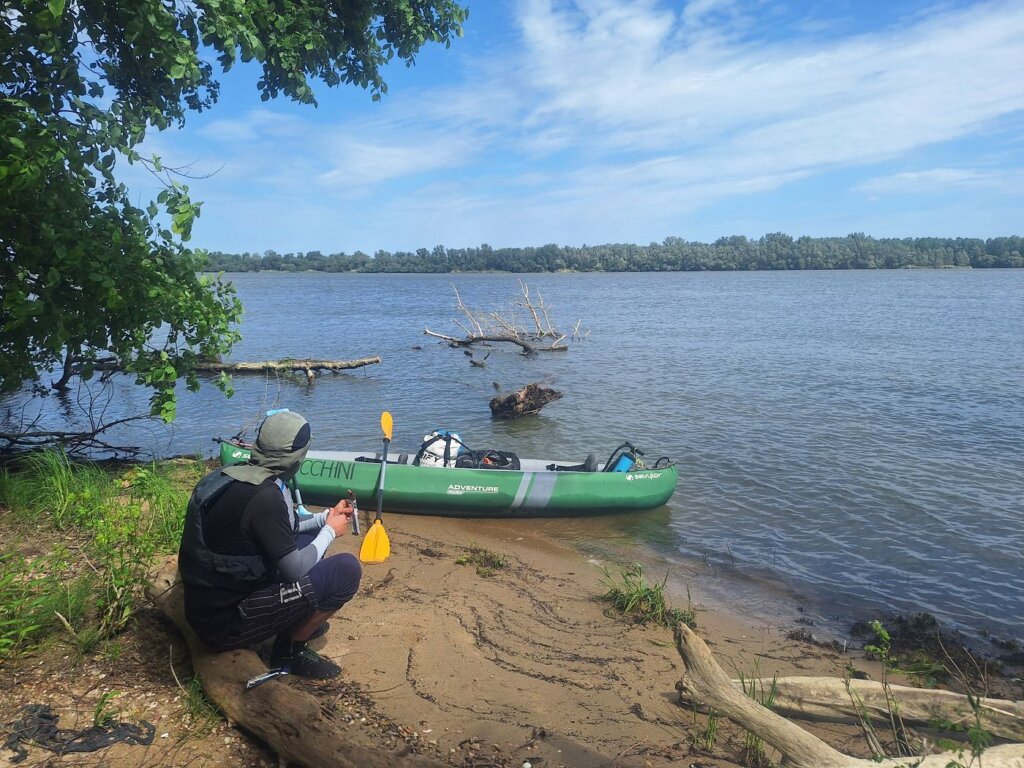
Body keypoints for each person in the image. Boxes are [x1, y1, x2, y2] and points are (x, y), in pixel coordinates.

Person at [178, 410, 361, 679]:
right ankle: (289, 651)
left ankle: (295, 617)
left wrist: (325, 518)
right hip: (224, 626)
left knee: (309, 541)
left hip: (204, 605)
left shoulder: (228, 476)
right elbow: (294, 570)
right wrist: (331, 532)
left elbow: (284, 530)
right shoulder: (265, 498)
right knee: (346, 570)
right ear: (297, 457)